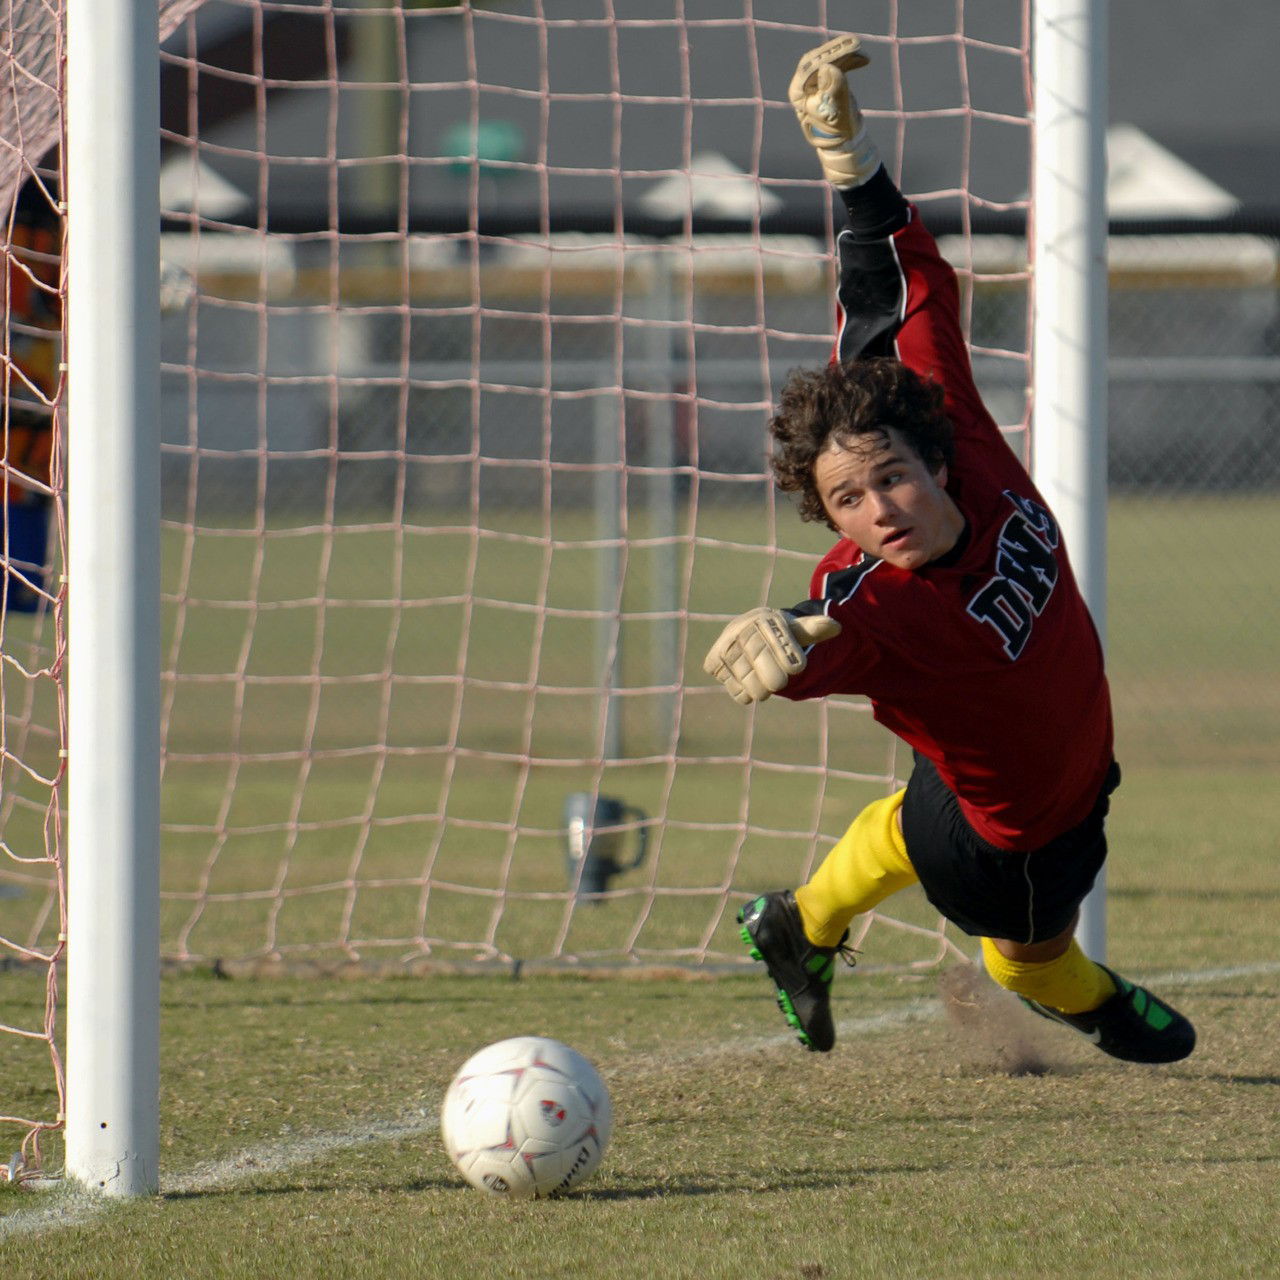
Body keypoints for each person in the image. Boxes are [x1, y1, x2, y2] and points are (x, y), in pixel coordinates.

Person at [703, 36, 1195, 1065]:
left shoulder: (960, 435)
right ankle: (1087, 998)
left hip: (1021, 771)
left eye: (888, 475)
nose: (878, 505)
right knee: (1026, 955)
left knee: (912, 815)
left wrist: (849, 164)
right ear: (828, 520)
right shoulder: (877, 598)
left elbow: (899, 291)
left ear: (930, 453)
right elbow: (826, 634)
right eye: (844, 499)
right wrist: (786, 638)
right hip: (1009, 842)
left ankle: (800, 922)